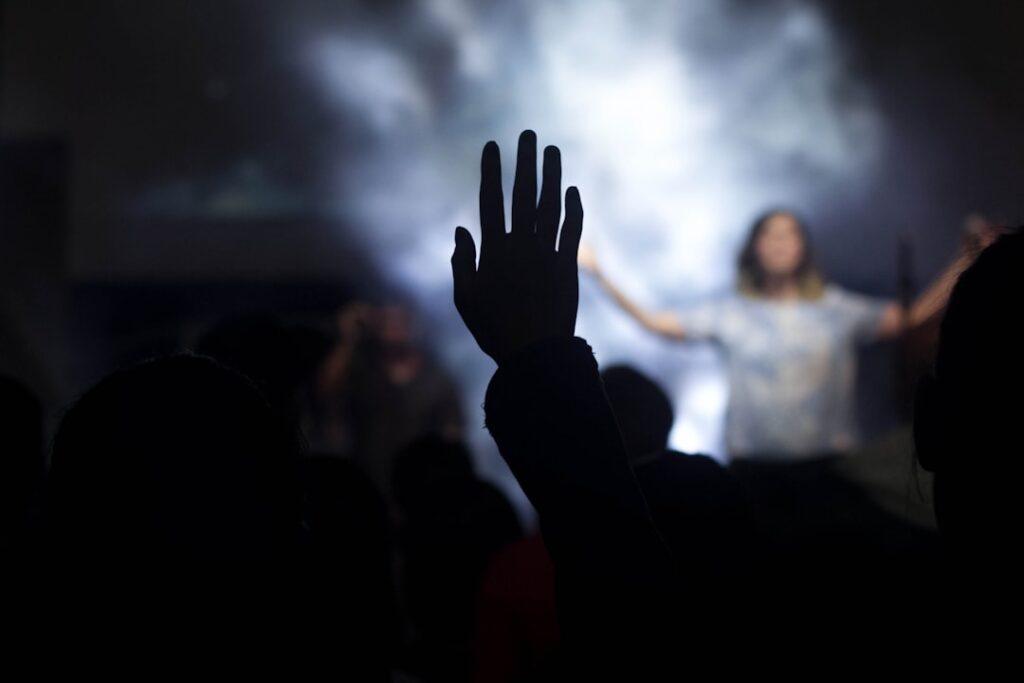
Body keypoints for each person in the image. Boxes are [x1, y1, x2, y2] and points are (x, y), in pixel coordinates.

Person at [580, 210, 995, 459]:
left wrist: (967, 260)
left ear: (803, 248)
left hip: (826, 470)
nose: (779, 240)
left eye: (789, 232)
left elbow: (913, 315)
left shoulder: (835, 309)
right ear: (754, 248)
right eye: (769, 233)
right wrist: (600, 272)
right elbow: (652, 322)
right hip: (753, 474)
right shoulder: (729, 312)